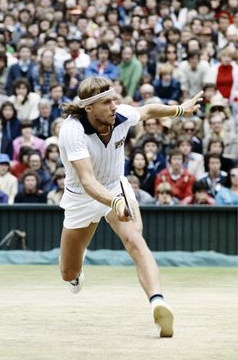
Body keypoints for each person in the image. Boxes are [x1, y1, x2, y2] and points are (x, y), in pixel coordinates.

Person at [58, 76, 202, 338]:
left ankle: (158, 302)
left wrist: (181, 109)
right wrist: (114, 203)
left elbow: (149, 110)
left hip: (115, 186)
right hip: (82, 196)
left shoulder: (121, 116)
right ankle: (76, 276)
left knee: (135, 239)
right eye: (107, 102)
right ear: (89, 108)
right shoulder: (72, 130)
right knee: (68, 272)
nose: (115, 105)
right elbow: (88, 181)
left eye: (115, 99)